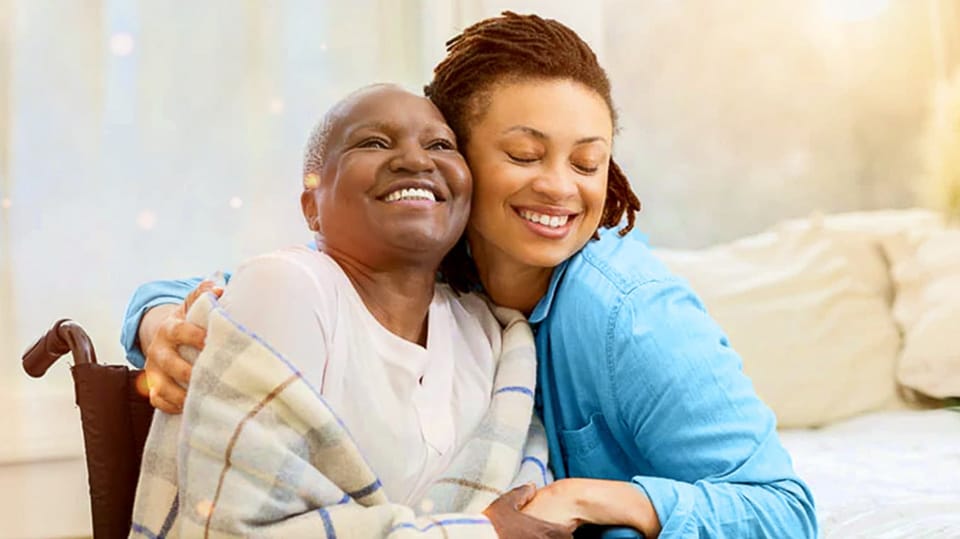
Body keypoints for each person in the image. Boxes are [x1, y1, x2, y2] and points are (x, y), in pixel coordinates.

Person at [123, 12, 817, 538]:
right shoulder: (432, 262)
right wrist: (158, 322)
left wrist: (601, 496)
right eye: (523, 153)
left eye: (586, 163)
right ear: (458, 157)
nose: (559, 188)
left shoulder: (629, 313)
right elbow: (236, 288)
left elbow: (785, 509)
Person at [130, 83, 572, 539]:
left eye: (440, 145)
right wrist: (480, 533)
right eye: (373, 143)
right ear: (311, 207)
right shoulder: (288, 287)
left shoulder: (490, 332)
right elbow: (236, 530)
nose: (417, 161)